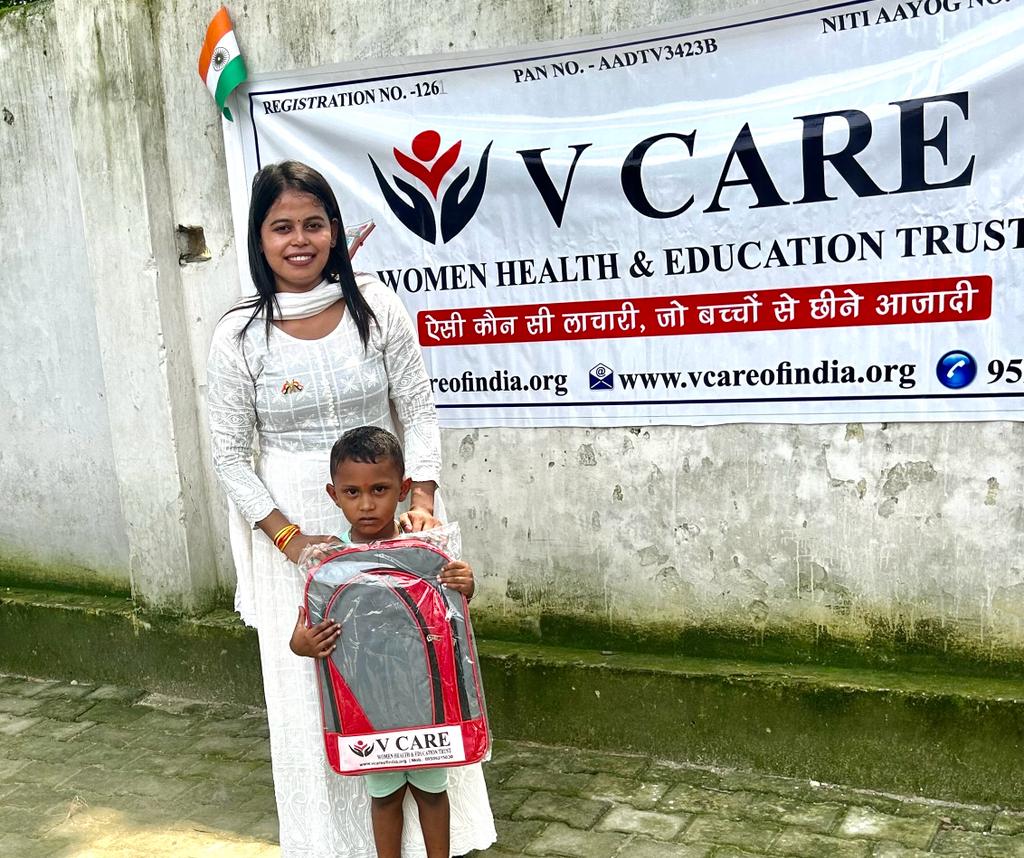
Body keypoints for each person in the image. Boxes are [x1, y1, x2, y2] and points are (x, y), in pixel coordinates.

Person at [206, 160, 495, 857]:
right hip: (296, 532)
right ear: (260, 238)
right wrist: (291, 539)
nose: (299, 240)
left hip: (390, 517)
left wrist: (420, 500)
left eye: (314, 224)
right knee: (317, 683)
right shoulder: (238, 334)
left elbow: (417, 410)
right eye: (282, 227)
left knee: (418, 668)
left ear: (335, 231)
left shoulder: (376, 306)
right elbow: (229, 456)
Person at [290, 426, 478, 858]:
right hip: (367, 703)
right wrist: (303, 644)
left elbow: (452, 612)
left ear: (403, 489)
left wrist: (465, 585)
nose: (367, 504)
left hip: (425, 695)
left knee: (432, 792)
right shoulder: (329, 562)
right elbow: (306, 631)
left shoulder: (423, 551)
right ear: (333, 495)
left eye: (379, 489)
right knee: (385, 796)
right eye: (352, 492)